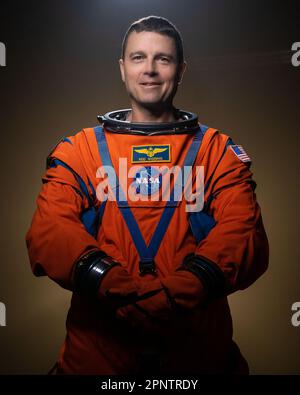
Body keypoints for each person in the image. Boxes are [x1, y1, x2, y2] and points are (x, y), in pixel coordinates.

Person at [26, 15, 269, 375]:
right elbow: (50, 231)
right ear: (122, 68)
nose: (150, 69)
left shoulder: (216, 151)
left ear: (181, 69)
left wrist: (180, 290)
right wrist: (109, 281)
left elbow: (244, 231)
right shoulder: (80, 151)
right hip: (97, 362)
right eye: (139, 57)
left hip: (198, 361)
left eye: (164, 59)